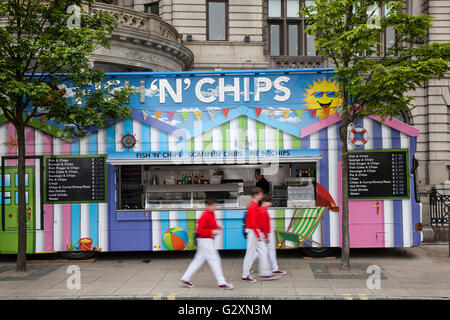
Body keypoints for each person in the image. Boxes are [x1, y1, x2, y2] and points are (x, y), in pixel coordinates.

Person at [180, 197, 233, 290]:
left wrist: (217, 226)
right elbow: (200, 230)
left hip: (205, 240)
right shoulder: (206, 214)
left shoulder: (210, 213)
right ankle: (221, 282)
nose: (215, 207)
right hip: (205, 240)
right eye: (214, 205)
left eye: (216, 205)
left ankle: (185, 278)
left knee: (198, 261)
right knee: (215, 259)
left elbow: (210, 224)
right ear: (209, 206)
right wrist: (211, 232)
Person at [242, 187, 280, 282]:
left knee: (261, 252)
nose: (262, 196)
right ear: (255, 195)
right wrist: (258, 235)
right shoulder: (253, 206)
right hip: (253, 232)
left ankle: (265, 273)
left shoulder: (254, 205)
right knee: (251, 253)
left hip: (254, 231)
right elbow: (253, 222)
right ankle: (247, 274)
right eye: (260, 194)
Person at [258, 194, 287, 275]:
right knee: (268, 251)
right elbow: (264, 225)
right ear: (264, 202)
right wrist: (267, 236)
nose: (270, 204)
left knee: (264, 251)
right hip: (265, 234)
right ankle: (274, 269)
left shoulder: (261, 209)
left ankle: (275, 268)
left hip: (264, 233)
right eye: (268, 202)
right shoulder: (263, 211)